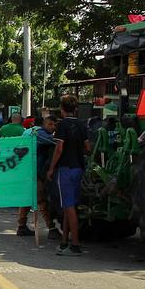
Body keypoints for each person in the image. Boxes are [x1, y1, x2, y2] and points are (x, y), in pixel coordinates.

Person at [47, 95, 90, 256]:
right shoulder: (81, 124)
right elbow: (87, 147)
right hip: (78, 168)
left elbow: (59, 148)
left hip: (65, 168)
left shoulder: (63, 125)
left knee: (69, 207)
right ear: (76, 109)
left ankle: (75, 245)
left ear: (62, 109)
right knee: (69, 204)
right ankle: (64, 241)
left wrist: (51, 168)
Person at [16, 116, 61, 239]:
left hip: (27, 170)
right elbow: (54, 141)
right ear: (43, 124)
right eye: (50, 124)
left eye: (54, 125)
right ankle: (51, 227)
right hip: (33, 172)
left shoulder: (29, 131)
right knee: (41, 199)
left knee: (27, 198)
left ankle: (21, 226)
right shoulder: (40, 134)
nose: (53, 127)